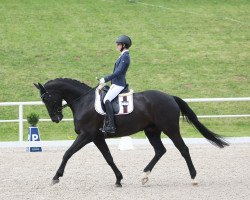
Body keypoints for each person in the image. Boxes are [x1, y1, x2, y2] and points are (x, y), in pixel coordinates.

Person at [99, 35, 132, 134]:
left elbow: (118, 72)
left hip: (119, 84)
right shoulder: (122, 56)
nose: (117, 46)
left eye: (118, 44)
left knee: (107, 100)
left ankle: (111, 126)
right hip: (115, 83)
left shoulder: (125, 56)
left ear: (124, 45)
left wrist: (105, 78)